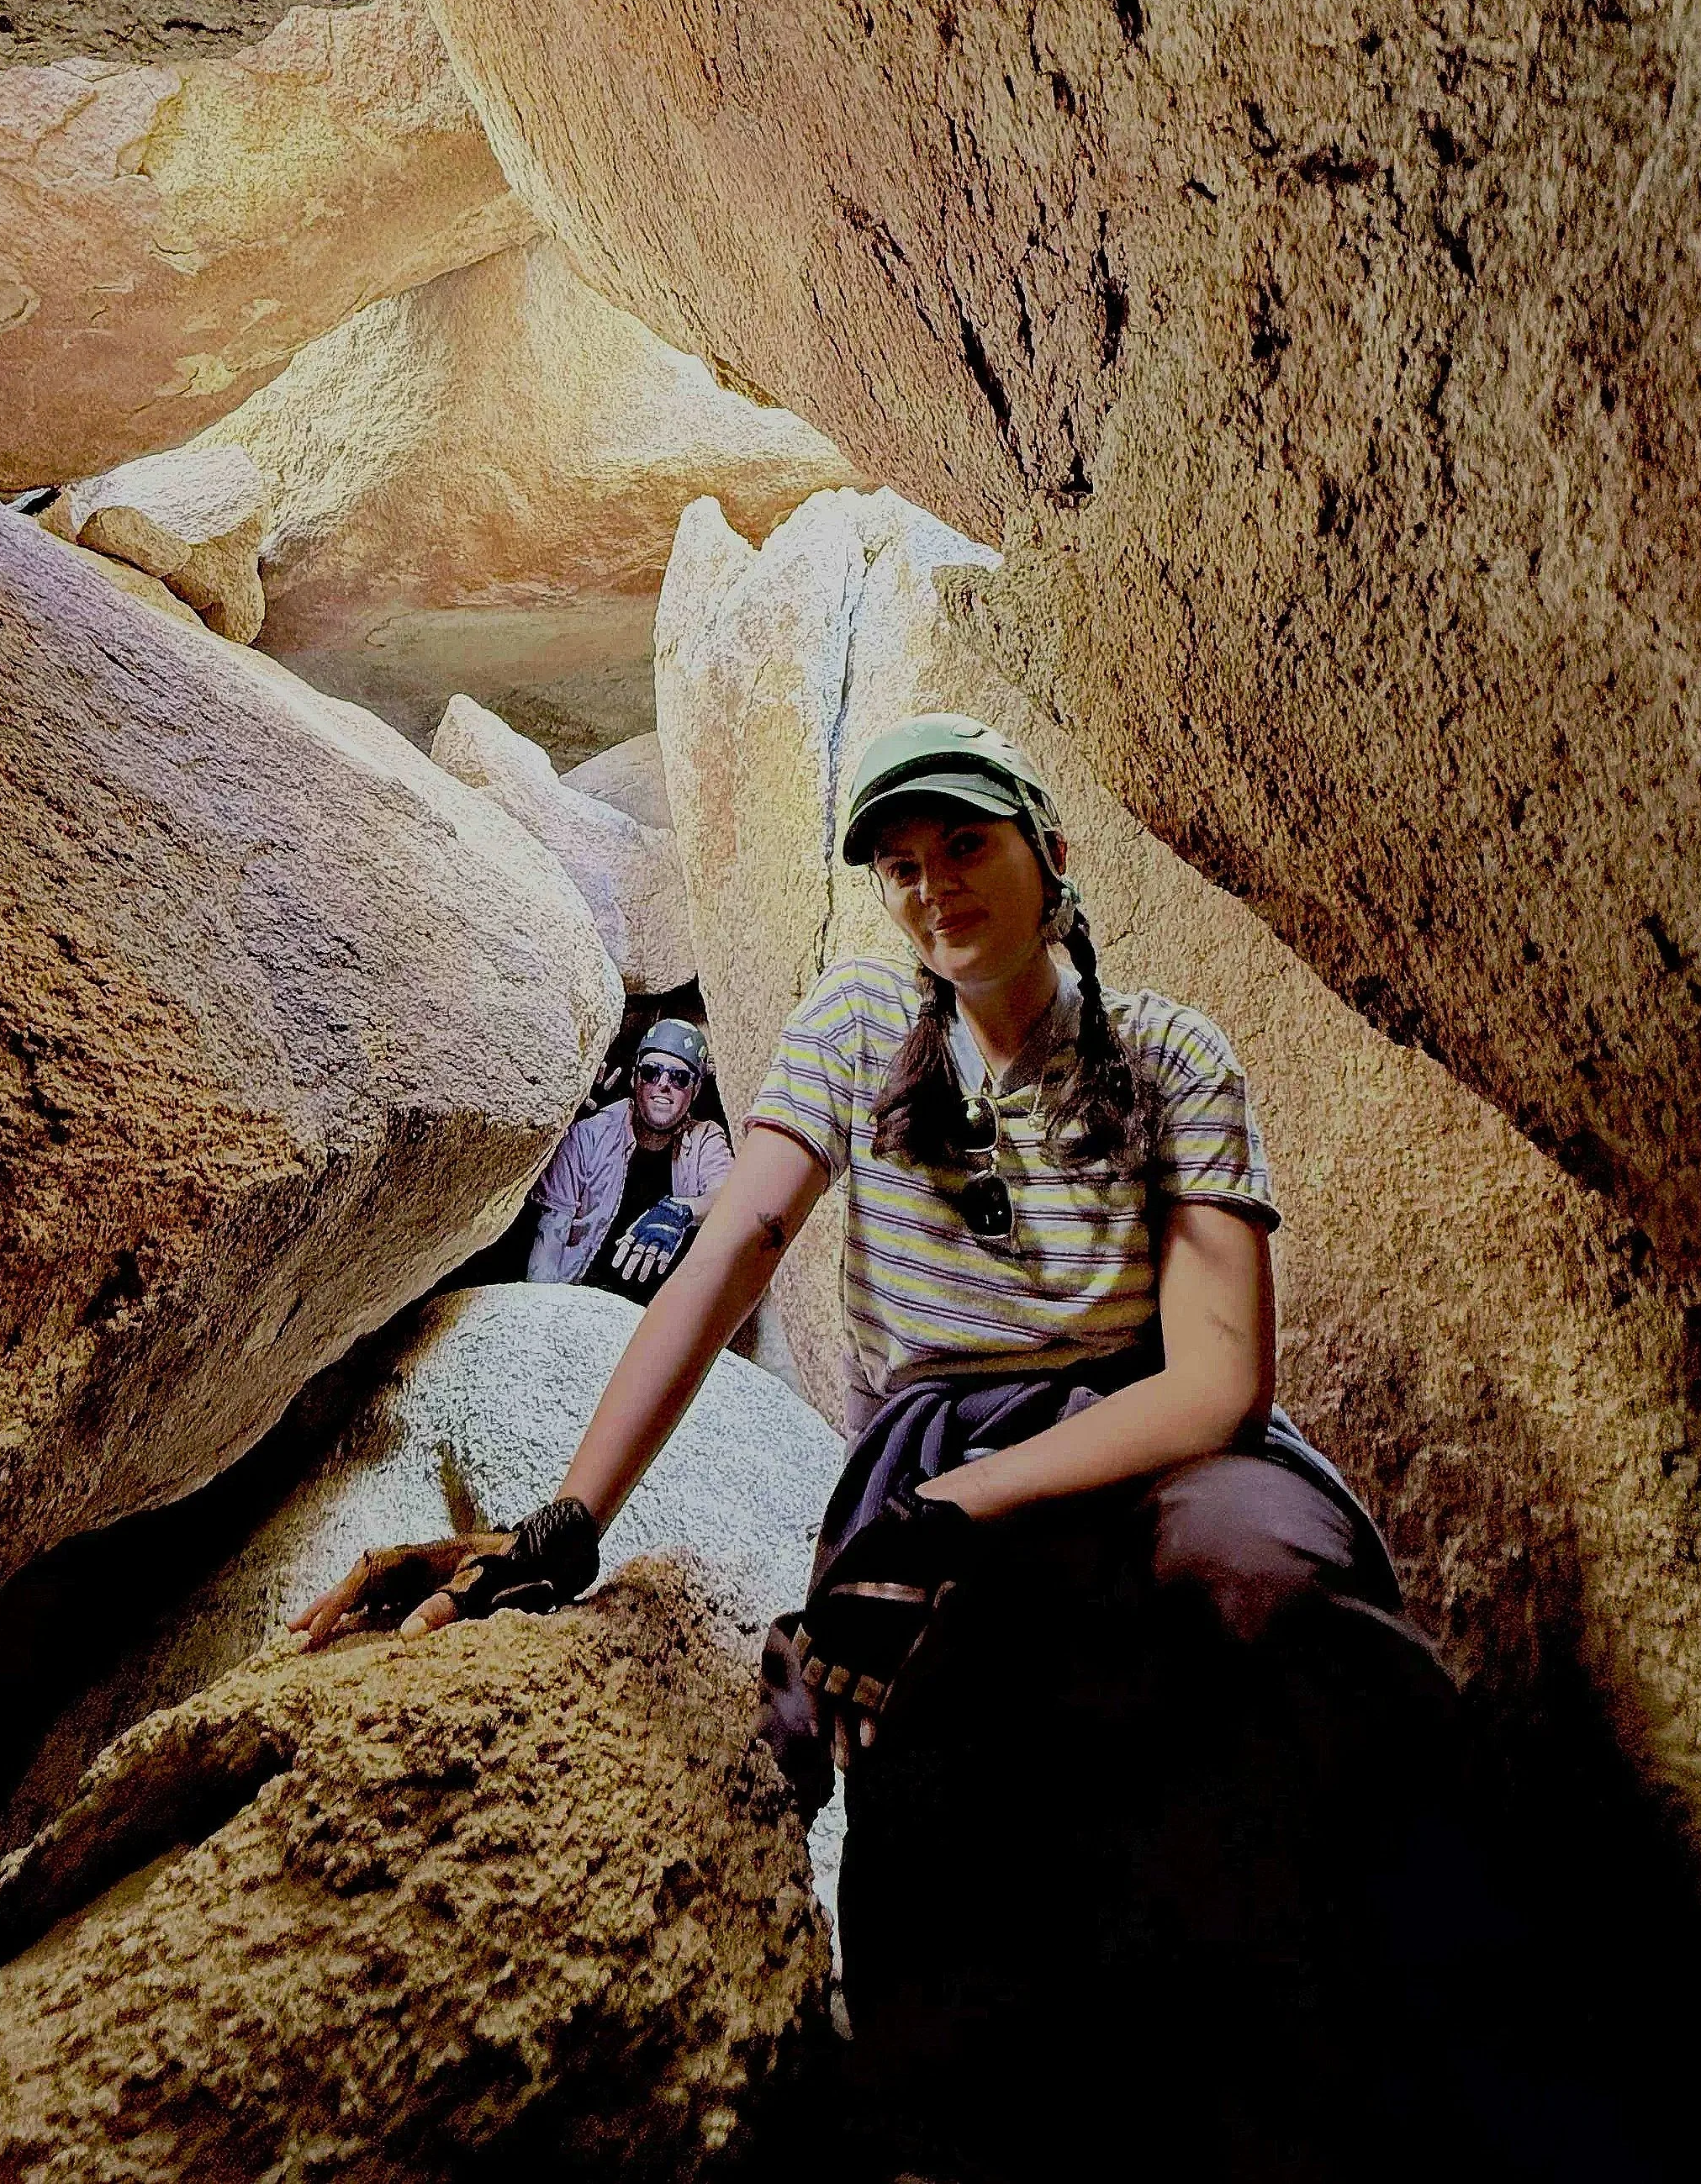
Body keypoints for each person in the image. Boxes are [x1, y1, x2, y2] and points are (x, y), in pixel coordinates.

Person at [288, 714, 1481, 2173]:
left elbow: (1219, 1376)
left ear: (1052, 852)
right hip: (941, 1438)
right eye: (901, 865)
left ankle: (1446, 2028)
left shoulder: (1171, 1052)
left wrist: (950, 1510)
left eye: (965, 844)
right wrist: (568, 1520)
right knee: (943, 1751)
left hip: (1155, 1427)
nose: (933, 886)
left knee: (1262, 1587)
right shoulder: (860, 1027)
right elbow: (731, 1248)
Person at [524, 1016, 734, 1304]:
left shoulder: (704, 1139)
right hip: (578, 1297)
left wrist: (680, 1211)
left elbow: (727, 1196)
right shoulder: (590, 1134)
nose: (663, 1085)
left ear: (696, 1089)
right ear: (635, 1079)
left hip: (657, 1316)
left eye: (679, 1077)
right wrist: (540, 1311)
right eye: (651, 1073)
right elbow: (550, 1236)